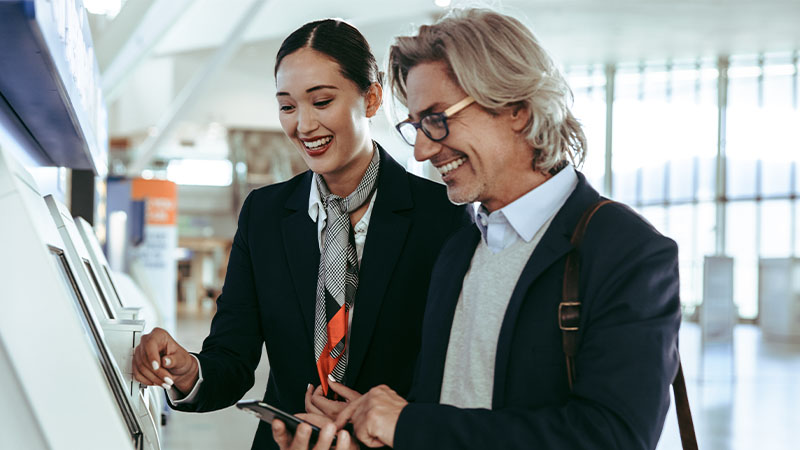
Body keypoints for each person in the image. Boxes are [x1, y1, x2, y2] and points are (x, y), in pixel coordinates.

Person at [275, 8, 682, 450]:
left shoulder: (628, 252)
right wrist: (365, 436)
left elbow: (614, 438)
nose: (424, 151)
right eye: (416, 127)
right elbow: (448, 414)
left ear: (517, 110)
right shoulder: (460, 244)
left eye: (436, 119)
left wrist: (408, 425)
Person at [131, 19, 471, 449]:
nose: (304, 126)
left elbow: (451, 376)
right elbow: (233, 356)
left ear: (371, 97)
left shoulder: (441, 216)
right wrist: (188, 372)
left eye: (321, 101)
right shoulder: (265, 215)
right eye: (287, 107)